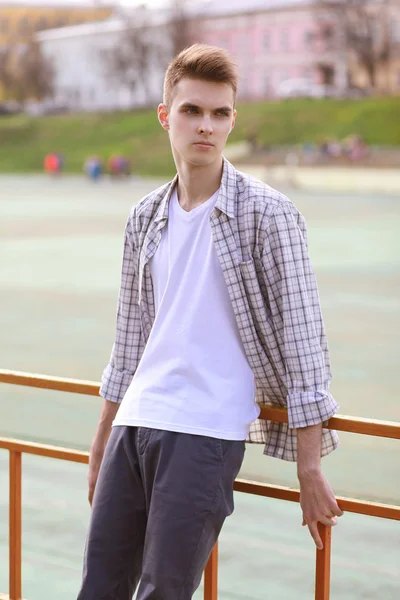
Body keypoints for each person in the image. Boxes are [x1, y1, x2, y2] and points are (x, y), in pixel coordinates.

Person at [77, 44, 343, 600]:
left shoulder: (269, 215)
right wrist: (101, 442)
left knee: (162, 593)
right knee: (98, 590)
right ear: (164, 116)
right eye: (192, 110)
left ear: (232, 120)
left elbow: (304, 345)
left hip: (205, 432)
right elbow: (129, 343)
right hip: (136, 422)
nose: (206, 126)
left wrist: (310, 468)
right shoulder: (144, 217)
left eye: (220, 113)